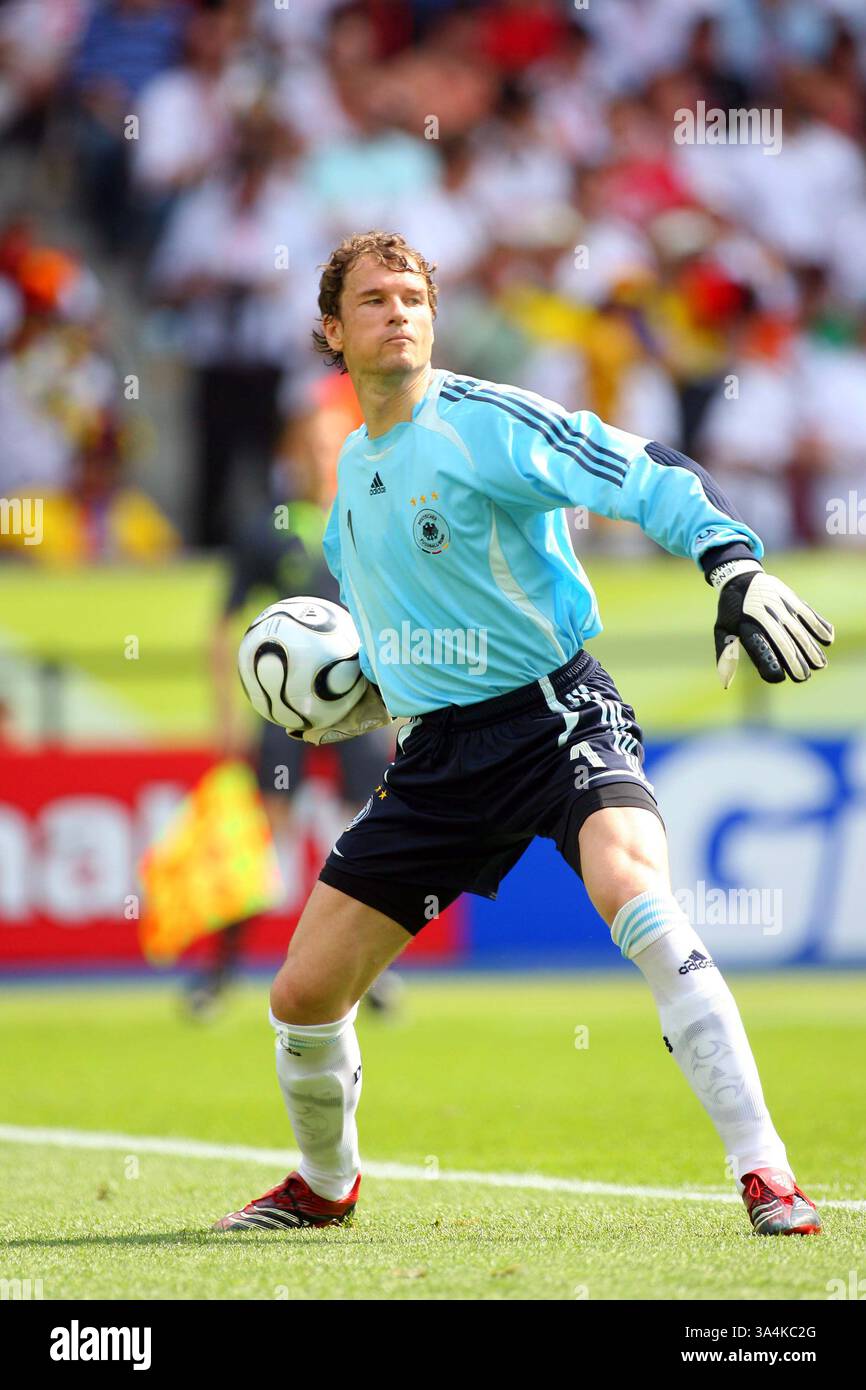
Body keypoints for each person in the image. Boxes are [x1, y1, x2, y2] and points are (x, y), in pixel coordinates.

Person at [213, 231, 834, 1236]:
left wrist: (732, 563)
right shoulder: (350, 485)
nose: (399, 312)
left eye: (413, 297)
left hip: (554, 714)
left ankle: (766, 1173)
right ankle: (325, 1185)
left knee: (635, 891)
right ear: (331, 331)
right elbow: (398, 636)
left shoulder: (486, 422)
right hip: (436, 757)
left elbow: (646, 468)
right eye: (373, 299)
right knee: (301, 995)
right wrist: (360, 695)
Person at [190, 409, 400, 1018]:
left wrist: (401, 709)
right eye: (310, 446)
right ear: (292, 454)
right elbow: (224, 625)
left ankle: (367, 974)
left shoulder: (371, 520)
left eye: (331, 445)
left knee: (362, 837)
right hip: (289, 713)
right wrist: (226, 718)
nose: (320, 457)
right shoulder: (267, 529)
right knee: (266, 843)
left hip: (361, 708)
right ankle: (221, 973)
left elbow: (398, 616)